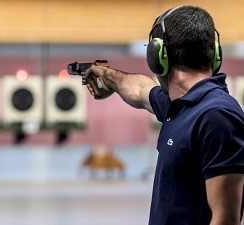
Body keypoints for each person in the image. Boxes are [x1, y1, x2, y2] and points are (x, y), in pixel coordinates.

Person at [84, 5, 244, 225]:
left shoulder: (217, 117)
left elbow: (226, 219)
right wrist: (109, 77)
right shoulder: (179, 106)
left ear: (158, 57)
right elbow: (141, 91)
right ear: (215, 54)